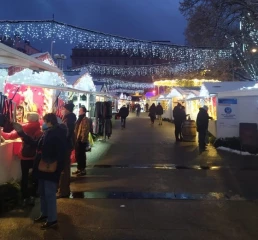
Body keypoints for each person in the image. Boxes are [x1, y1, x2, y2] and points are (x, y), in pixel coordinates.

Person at [16, 113, 67, 229]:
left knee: (49, 194)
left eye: (44, 121)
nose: (42, 123)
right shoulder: (47, 133)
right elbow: (35, 144)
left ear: (49, 121)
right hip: (43, 167)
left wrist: (55, 164)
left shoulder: (56, 134)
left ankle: (52, 219)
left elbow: (60, 152)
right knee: (43, 193)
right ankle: (45, 214)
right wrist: (21, 133)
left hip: (50, 168)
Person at [2, 112, 42, 207]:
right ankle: (34, 193)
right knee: (34, 175)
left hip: (26, 155)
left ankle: (25, 196)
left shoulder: (25, 127)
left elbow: (10, 136)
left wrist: (1, 132)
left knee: (24, 176)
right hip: (35, 155)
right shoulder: (38, 126)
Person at [57, 103, 76, 198]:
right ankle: (64, 189)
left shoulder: (69, 119)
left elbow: (66, 134)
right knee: (65, 168)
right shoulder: (69, 118)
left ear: (67, 109)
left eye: (63, 108)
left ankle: (63, 190)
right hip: (67, 145)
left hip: (65, 146)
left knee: (64, 168)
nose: (62, 110)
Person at [73, 106, 90, 176]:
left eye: (80, 111)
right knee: (78, 155)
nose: (79, 112)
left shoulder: (85, 119)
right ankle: (79, 168)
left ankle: (82, 169)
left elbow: (85, 130)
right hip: (78, 139)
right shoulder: (79, 119)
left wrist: (82, 139)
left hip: (81, 140)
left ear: (83, 112)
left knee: (81, 155)